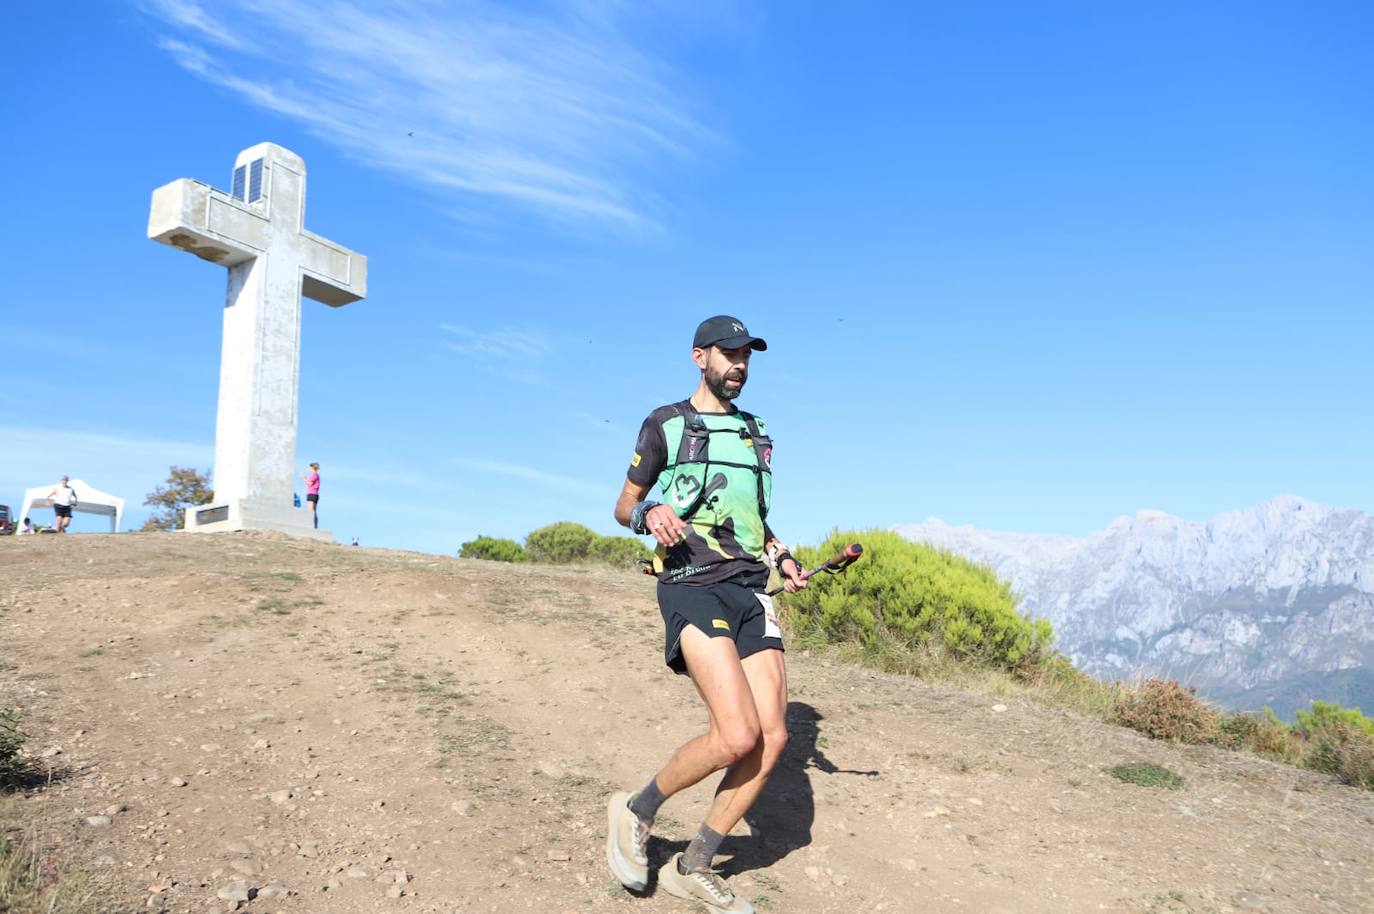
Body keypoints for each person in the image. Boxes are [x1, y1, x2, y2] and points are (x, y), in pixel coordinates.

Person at [607, 316, 807, 914]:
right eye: (729, 354)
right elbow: (622, 505)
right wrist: (651, 514)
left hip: (752, 590)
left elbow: (749, 515)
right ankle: (636, 811)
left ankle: (693, 865)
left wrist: (782, 554)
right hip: (692, 582)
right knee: (736, 733)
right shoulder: (666, 423)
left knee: (771, 740)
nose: (740, 364)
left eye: (747, 355)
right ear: (700, 357)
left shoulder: (756, 432)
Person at [302, 462, 321, 528]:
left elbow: (309, 484)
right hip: (315, 494)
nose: (309, 469)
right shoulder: (316, 475)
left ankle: (311, 526)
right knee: (314, 511)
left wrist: (304, 478)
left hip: (312, 494)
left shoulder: (314, 475)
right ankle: (315, 526)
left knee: (310, 511)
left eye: (309, 468)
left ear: (312, 468)